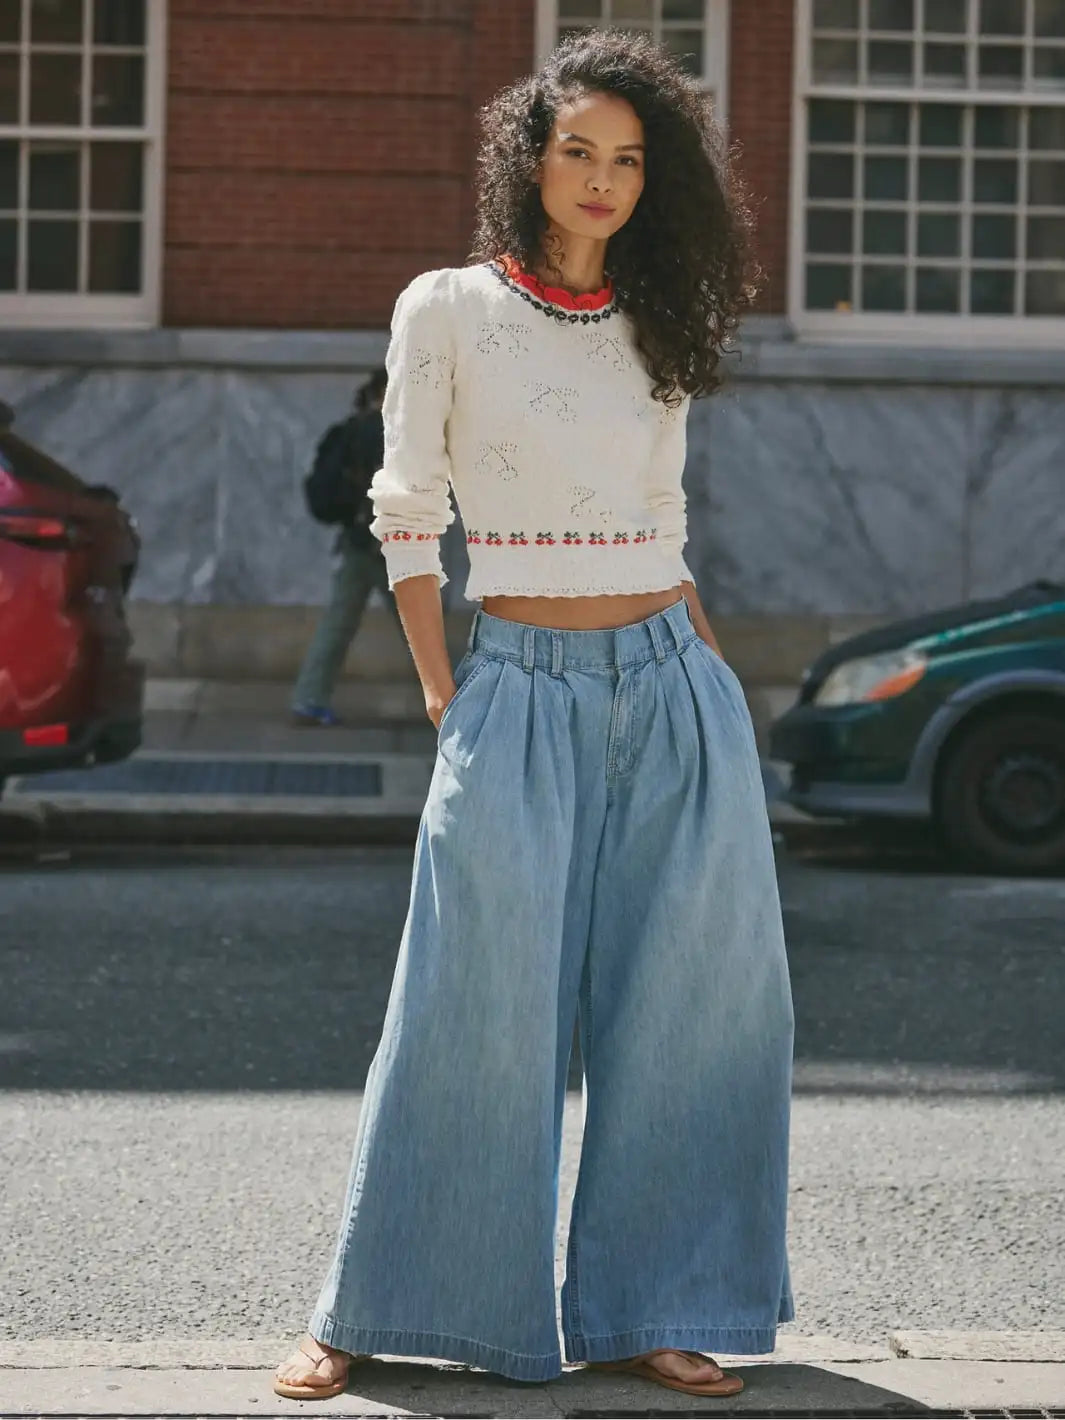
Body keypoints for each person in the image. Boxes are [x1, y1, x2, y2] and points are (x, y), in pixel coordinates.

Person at [274, 29, 794, 1402]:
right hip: (515, 686)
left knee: (690, 1014)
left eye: (630, 159)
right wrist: (449, 689)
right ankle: (372, 1307)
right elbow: (407, 511)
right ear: (529, 156)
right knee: (467, 1011)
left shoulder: (665, 313)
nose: (604, 178)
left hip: (671, 686)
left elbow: (664, 520)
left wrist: (710, 682)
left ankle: (656, 1305)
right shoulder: (444, 308)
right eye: (580, 150)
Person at [290, 368, 402, 727]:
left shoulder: (350, 430)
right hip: (393, 546)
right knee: (424, 631)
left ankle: (309, 698)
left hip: (356, 541)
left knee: (337, 624)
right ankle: (458, 705)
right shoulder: (389, 433)